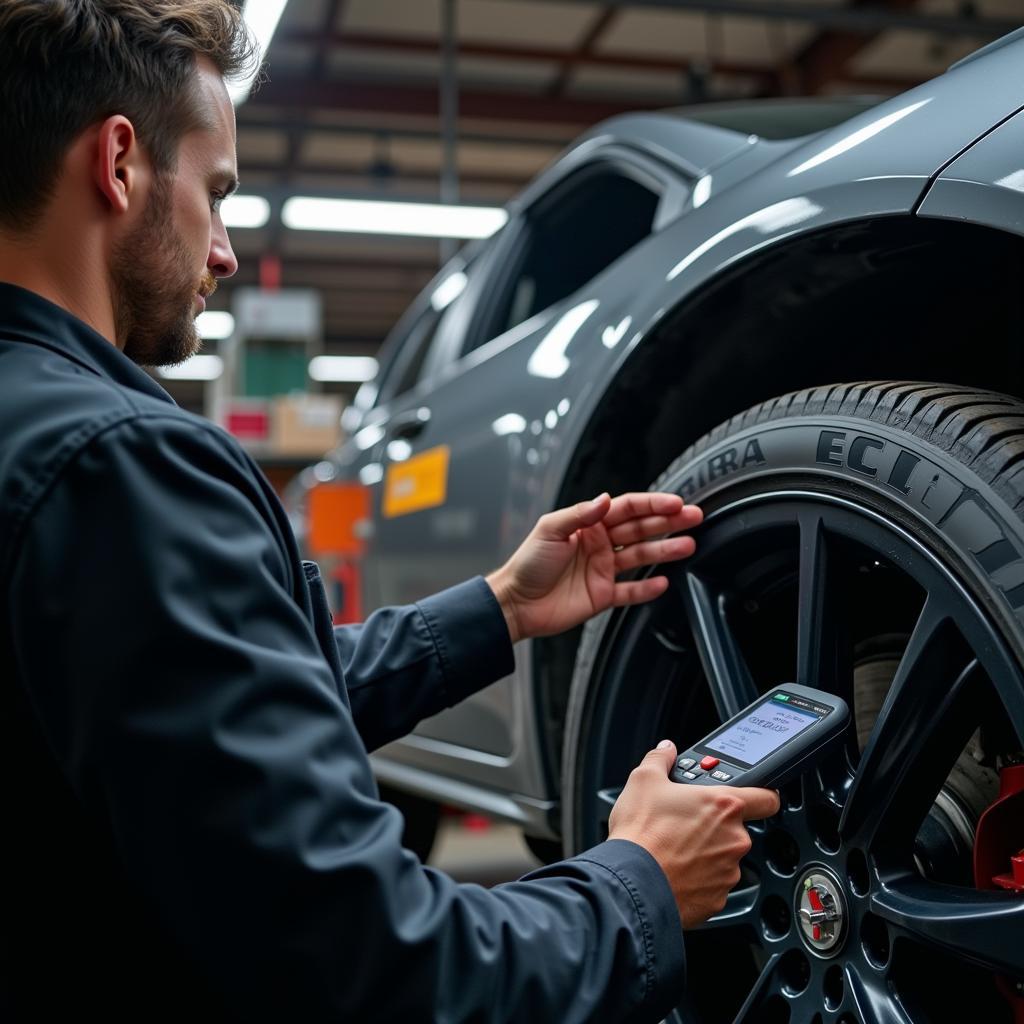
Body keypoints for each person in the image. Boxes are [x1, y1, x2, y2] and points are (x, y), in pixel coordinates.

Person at [0, 2, 779, 1021]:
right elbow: (372, 965)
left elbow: (219, 704)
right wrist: (636, 880)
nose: (226, 250)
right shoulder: (123, 467)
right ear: (119, 163)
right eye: (218, 192)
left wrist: (499, 605)